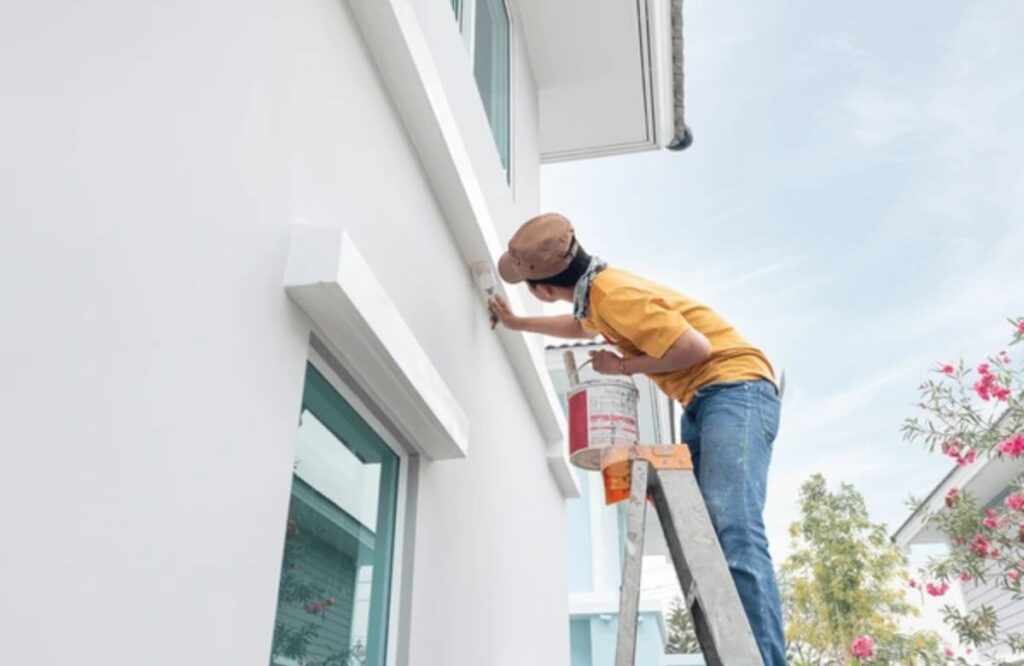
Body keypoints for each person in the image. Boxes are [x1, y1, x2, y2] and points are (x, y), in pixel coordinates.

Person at [488, 213, 787, 666]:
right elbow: (581, 327)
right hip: (707, 397)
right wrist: (518, 325)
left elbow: (695, 349)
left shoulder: (614, 295)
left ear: (545, 289)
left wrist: (622, 367)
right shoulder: (599, 294)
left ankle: (764, 661)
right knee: (710, 537)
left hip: (735, 388)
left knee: (733, 525)